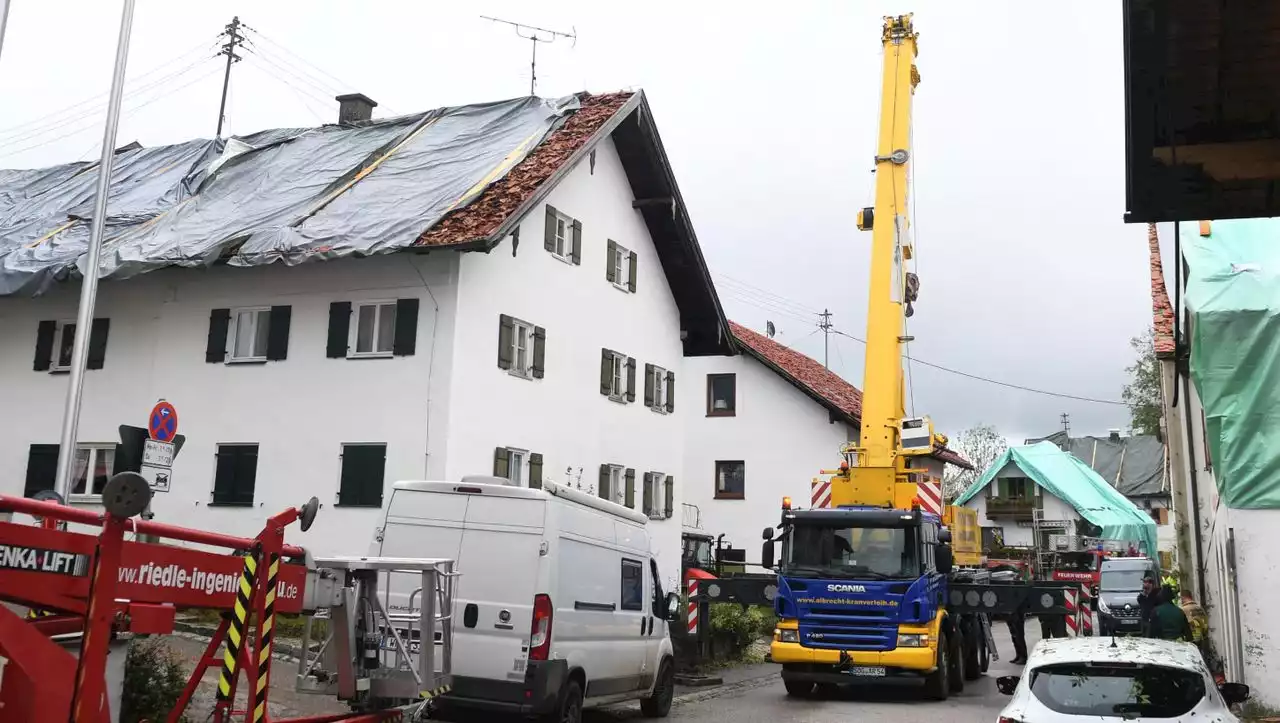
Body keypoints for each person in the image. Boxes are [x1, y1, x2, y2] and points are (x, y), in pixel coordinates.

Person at [1180, 590, 1209, 654]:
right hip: (1200, 639)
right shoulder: (1199, 608)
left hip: (1190, 640)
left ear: (1183, 597)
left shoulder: (1183, 610)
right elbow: (1205, 623)